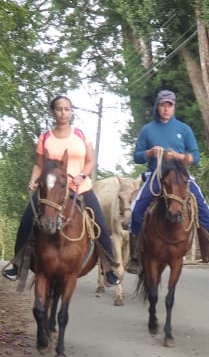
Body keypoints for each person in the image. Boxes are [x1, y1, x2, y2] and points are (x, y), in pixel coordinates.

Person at [2, 95, 120, 286]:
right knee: (26, 221)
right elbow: (39, 165)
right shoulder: (45, 137)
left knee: (100, 225)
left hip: (79, 189)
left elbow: (90, 161)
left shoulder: (80, 135)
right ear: (53, 112)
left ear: (71, 111)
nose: (63, 113)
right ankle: (17, 264)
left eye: (67, 109)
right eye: (59, 109)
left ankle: (109, 268)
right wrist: (33, 179)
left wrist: (83, 175)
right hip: (50, 191)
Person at [126, 89, 209, 273]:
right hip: (155, 174)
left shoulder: (184, 129)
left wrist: (181, 157)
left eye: (169, 105)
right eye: (162, 105)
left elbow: (195, 155)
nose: (166, 109)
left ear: (173, 107)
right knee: (136, 208)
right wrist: (149, 153)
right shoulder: (147, 130)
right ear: (157, 106)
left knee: (202, 206)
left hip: (180, 175)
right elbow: (137, 157)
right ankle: (134, 255)